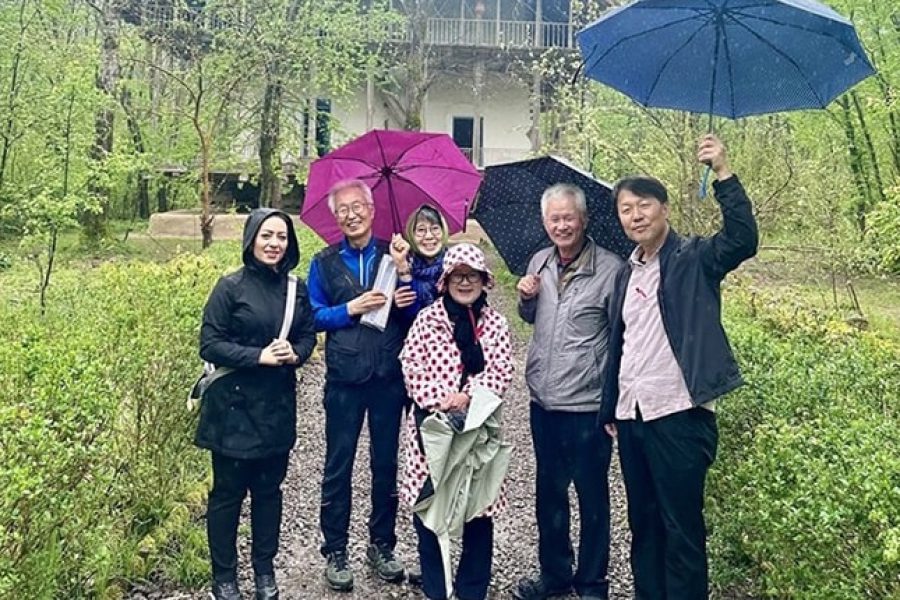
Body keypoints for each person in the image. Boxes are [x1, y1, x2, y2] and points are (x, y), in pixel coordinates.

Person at [602, 134, 758, 600]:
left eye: (644, 205)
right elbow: (623, 344)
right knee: (644, 527)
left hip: (680, 414)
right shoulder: (626, 272)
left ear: (664, 208)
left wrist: (724, 172)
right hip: (634, 418)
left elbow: (742, 240)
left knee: (682, 531)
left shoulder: (694, 258)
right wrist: (611, 407)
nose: (635, 215)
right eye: (626, 209)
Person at [195, 208, 317, 600]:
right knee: (227, 496)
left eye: (281, 237)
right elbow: (210, 344)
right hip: (231, 411)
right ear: (251, 239)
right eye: (267, 235)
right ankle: (224, 577)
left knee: (269, 494)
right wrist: (257, 356)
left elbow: (307, 336)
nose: (274, 244)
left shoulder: (296, 290)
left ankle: (265, 573)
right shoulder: (229, 287)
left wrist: (294, 352)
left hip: (275, 410)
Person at [512, 184, 623, 600]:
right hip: (543, 401)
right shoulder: (539, 261)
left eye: (568, 217)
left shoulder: (612, 270)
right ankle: (555, 575)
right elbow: (534, 318)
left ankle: (592, 582)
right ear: (545, 222)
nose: (561, 225)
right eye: (554, 219)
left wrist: (613, 404)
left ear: (584, 219)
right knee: (549, 494)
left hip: (587, 406)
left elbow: (621, 339)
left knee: (593, 498)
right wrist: (525, 299)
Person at [306, 179, 415, 592]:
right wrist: (350, 308)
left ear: (372, 210)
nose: (351, 215)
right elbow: (312, 316)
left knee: (385, 464)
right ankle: (335, 548)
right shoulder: (324, 262)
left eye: (358, 207)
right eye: (343, 210)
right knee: (338, 465)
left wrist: (404, 276)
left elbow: (414, 311)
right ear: (336, 218)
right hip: (345, 378)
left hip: (388, 377)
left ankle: (382, 544)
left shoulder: (394, 252)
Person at [399, 242, 514, 600]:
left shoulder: (494, 323)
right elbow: (410, 365)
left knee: (478, 512)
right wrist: (441, 399)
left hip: (479, 435)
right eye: (458, 276)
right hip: (432, 432)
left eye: (472, 276)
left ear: (484, 280)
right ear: (446, 280)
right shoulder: (427, 319)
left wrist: (469, 397)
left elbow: (502, 368)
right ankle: (437, 589)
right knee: (431, 512)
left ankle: (471, 590)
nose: (465, 283)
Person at [389, 203, 449, 315]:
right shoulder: (404, 267)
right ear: (412, 235)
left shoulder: (455, 266)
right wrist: (402, 264)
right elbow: (409, 315)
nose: (429, 236)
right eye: (421, 230)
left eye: (435, 228)